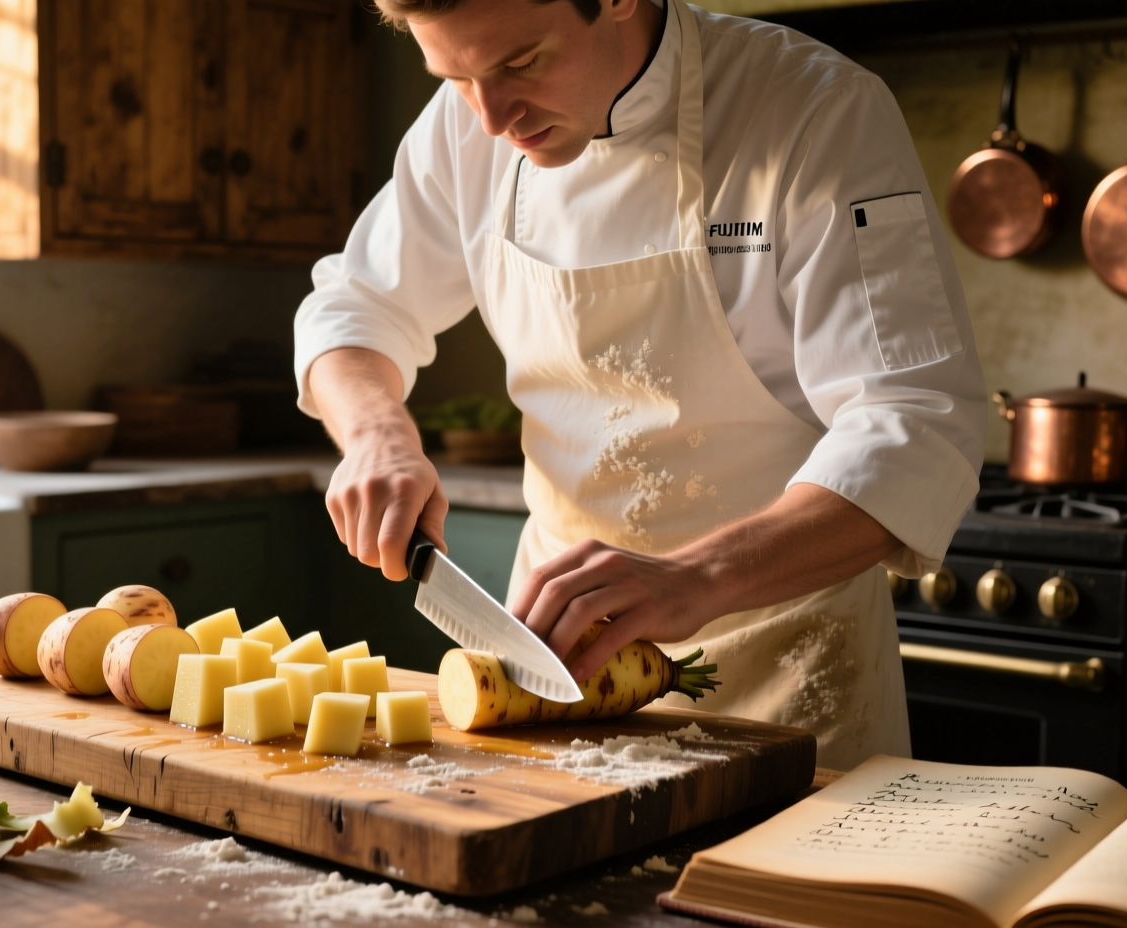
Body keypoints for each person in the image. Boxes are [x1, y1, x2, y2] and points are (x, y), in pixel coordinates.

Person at [293, 0, 986, 770]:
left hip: (792, 678)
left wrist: (697, 576)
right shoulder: (463, 130)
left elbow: (917, 422)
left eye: (521, 63)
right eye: (456, 77)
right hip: (553, 672)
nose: (491, 119)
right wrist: (377, 436)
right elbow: (353, 309)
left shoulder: (815, 109)